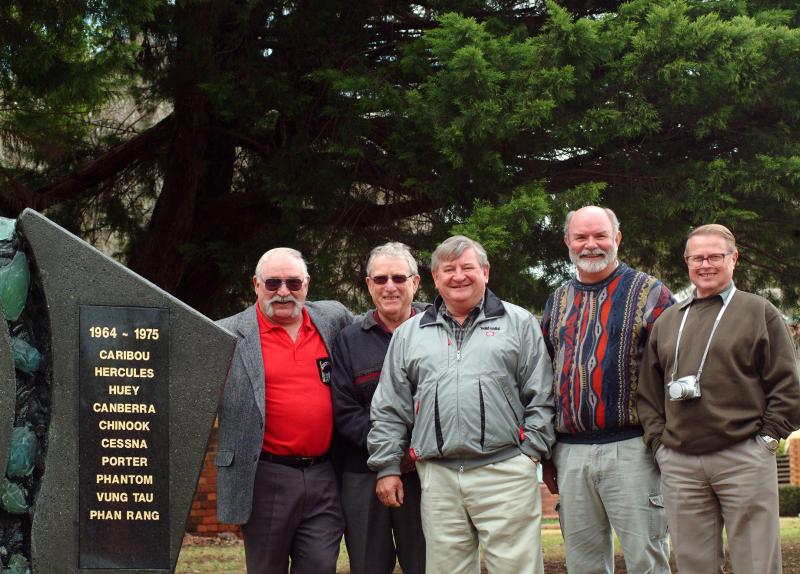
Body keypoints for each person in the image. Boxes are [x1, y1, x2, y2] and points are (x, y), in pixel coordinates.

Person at [367, 235, 555, 574]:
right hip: (438, 479)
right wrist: (387, 465)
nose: (458, 276)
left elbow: (541, 396)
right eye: (448, 269)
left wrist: (530, 455)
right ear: (435, 279)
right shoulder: (409, 334)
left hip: (506, 473)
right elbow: (390, 408)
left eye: (467, 267)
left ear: (485, 272)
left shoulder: (519, 323)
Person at [638, 223, 800, 574]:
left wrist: (768, 440)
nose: (705, 264)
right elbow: (648, 394)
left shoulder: (759, 312)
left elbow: (788, 386)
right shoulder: (668, 321)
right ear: (687, 262)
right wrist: (659, 445)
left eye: (714, 256)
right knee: (694, 565)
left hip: (743, 455)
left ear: (733, 259)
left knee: (756, 563)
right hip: (681, 464)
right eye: (697, 257)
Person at [540, 206, 673, 574]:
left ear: (617, 239)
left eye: (600, 236)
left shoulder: (650, 292)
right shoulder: (558, 300)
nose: (591, 245)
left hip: (633, 449)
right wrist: (548, 453)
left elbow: (672, 368)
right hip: (571, 453)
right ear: (568, 242)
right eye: (581, 237)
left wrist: (665, 442)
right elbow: (545, 379)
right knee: (583, 565)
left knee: (646, 560)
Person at [215, 247, 352, 574]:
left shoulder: (332, 319)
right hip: (265, 476)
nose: (283, 292)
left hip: (324, 476)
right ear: (256, 285)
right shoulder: (225, 335)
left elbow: (381, 319)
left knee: (321, 566)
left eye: (293, 283)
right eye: (273, 283)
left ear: (306, 283)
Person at [331, 242, 426, 574]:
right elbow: (344, 412)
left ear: (415, 282)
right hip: (363, 474)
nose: (390, 287)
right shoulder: (349, 339)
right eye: (381, 278)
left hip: (424, 471)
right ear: (369, 285)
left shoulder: (436, 330)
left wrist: (412, 454)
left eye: (399, 278)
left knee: (427, 564)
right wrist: (390, 454)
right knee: (369, 565)